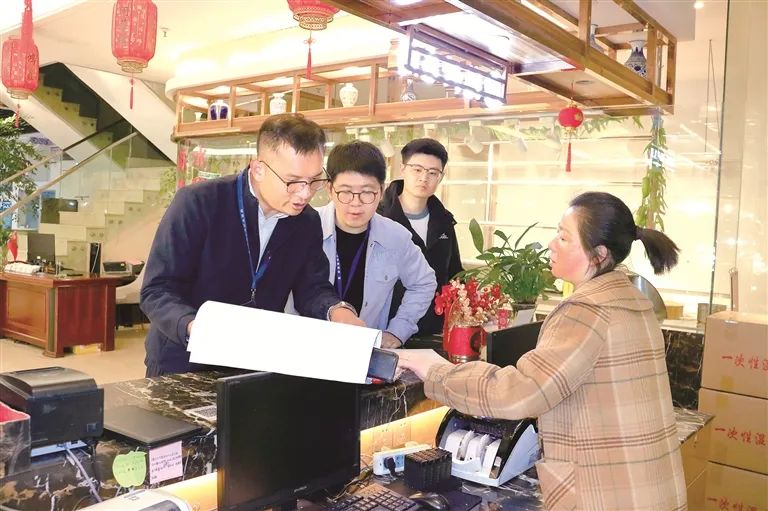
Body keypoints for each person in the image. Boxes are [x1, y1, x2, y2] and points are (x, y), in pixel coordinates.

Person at [397, 192, 687, 510]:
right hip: (644, 485)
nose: (551, 244)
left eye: (564, 237)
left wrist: (437, 371)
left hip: (607, 493)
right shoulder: (632, 300)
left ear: (598, 255)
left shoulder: (587, 310)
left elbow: (520, 393)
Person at [141, 114, 364, 377]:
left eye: (314, 180)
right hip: (182, 359)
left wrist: (337, 311)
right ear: (258, 169)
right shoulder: (199, 203)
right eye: (293, 182)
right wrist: (194, 326)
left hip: (253, 362)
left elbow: (312, 289)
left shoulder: (307, 221)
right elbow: (157, 289)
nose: (305, 193)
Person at [312, 140, 436, 348]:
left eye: (367, 192)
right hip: (308, 348)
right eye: (345, 191)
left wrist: (397, 331)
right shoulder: (306, 229)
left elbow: (424, 283)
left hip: (365, 352)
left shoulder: (396, 237)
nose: (356, 203)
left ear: (381, 190)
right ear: (330, 189)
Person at [378, 138, 462, 335]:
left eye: (433, 173)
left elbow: (455, 274)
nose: (424, 178)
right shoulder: (379, 218)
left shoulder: (445, 221)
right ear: (402, 169)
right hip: (387, 328)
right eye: (417, 169)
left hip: (434, 329)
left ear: (441, 177)